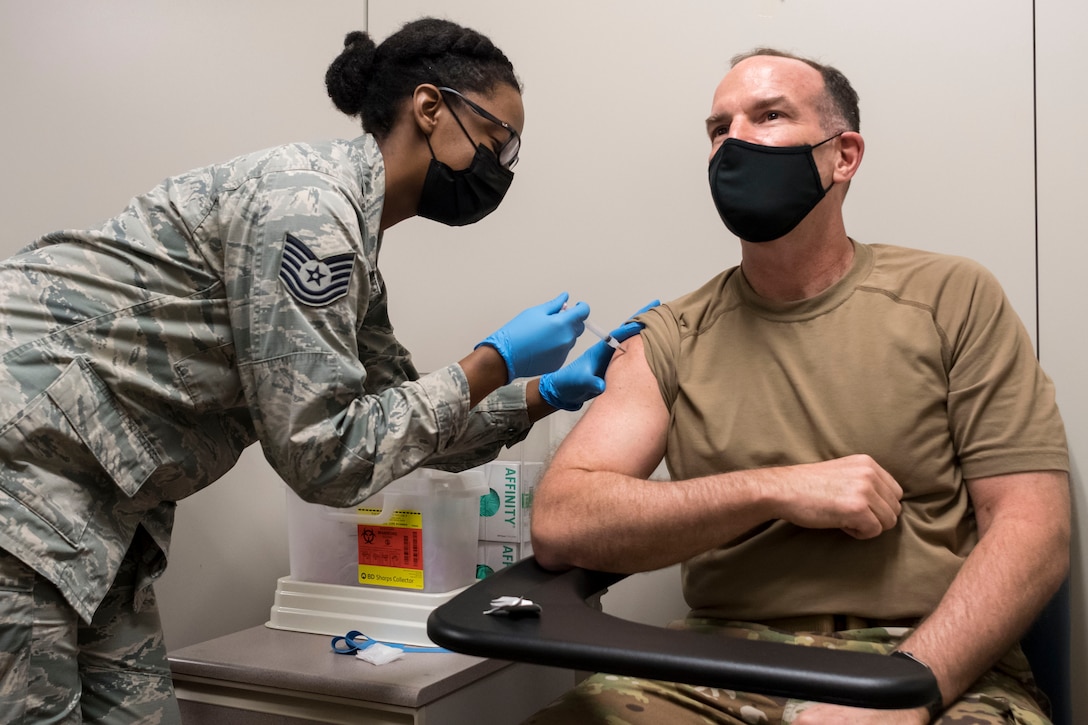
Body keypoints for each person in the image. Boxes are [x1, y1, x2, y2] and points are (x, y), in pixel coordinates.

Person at [0, 17, 644, 724]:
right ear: (430, 108)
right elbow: (323, 456)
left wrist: (537, 394)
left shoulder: (348, 242)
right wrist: (488, 361)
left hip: (93, 510)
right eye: (499, 139)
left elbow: (395, 418)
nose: (503, 166)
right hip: (25, 480)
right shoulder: (307, 209)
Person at [527, 48, 1070, 725]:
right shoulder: (671, 336)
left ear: (843, 156)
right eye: (719, 128)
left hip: (925, 656)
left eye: (769, 116)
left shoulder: (952, 298)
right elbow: (561, 521)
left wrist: (906, 692)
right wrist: (772, 487)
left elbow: (1033, 526)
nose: (734, 142)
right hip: (726, 662)